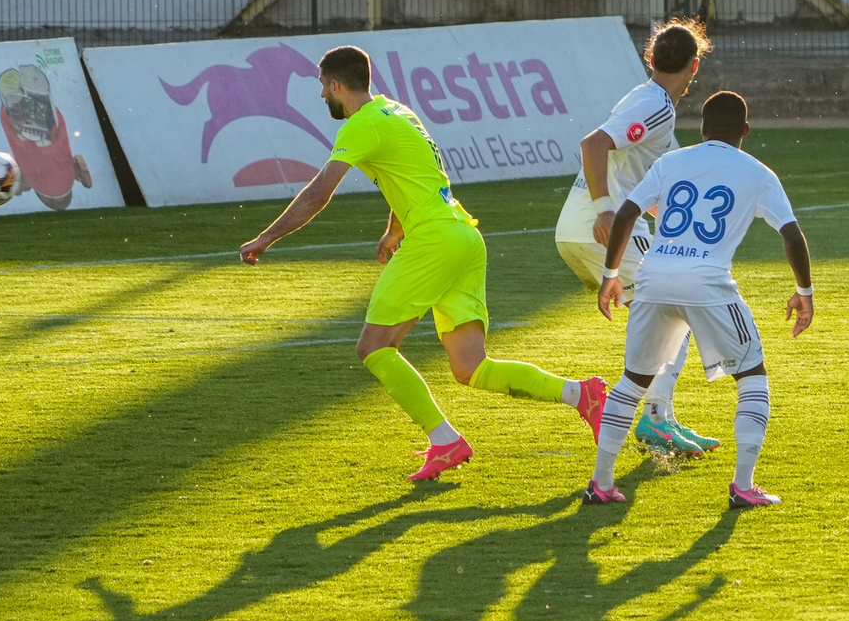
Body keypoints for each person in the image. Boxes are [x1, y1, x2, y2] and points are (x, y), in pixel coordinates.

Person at [238, 45, 608, 482]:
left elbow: (319, 193)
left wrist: (266, 237)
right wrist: (395, 229)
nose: (321, 96)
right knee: (471, 368)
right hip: (462, 236)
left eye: (322, 87)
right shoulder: (398, 112)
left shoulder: (360, 125)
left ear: (336, 85)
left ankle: (445, 440)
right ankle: (581, 394)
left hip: (434, 241)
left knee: (374, 347)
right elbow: (415, 177)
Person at [585, 90, 812, 508]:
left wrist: (610, 276)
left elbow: (627, 213)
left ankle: (600, 484)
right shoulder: (759, 173)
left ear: (702, 128)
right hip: (707, 282)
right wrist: (804, 292)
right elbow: (792, 234)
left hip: (654, 276)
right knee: (753, 376)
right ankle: (743, 486)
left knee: (632, 381)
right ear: (745, 130)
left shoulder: (671, 161)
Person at [551, 19, 716, 457]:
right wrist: (606, 208)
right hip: (601, 228)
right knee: (680, 306)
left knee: (666, 314)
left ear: (650, 57)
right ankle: (656, 418)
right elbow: (592, 145)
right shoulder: (655, 105)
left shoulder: (646, 101)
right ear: (694, 66)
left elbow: (647, 185)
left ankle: (662, 416)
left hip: (579, 230)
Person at [0, 63, 96, 212]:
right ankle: (20, 112)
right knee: (27, 144)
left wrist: (83, 177)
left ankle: (37, 127)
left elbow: (81, 166)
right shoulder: (33, 182)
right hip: (34, 166)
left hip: (55, 164)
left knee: (52, 143)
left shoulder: (68, 180)